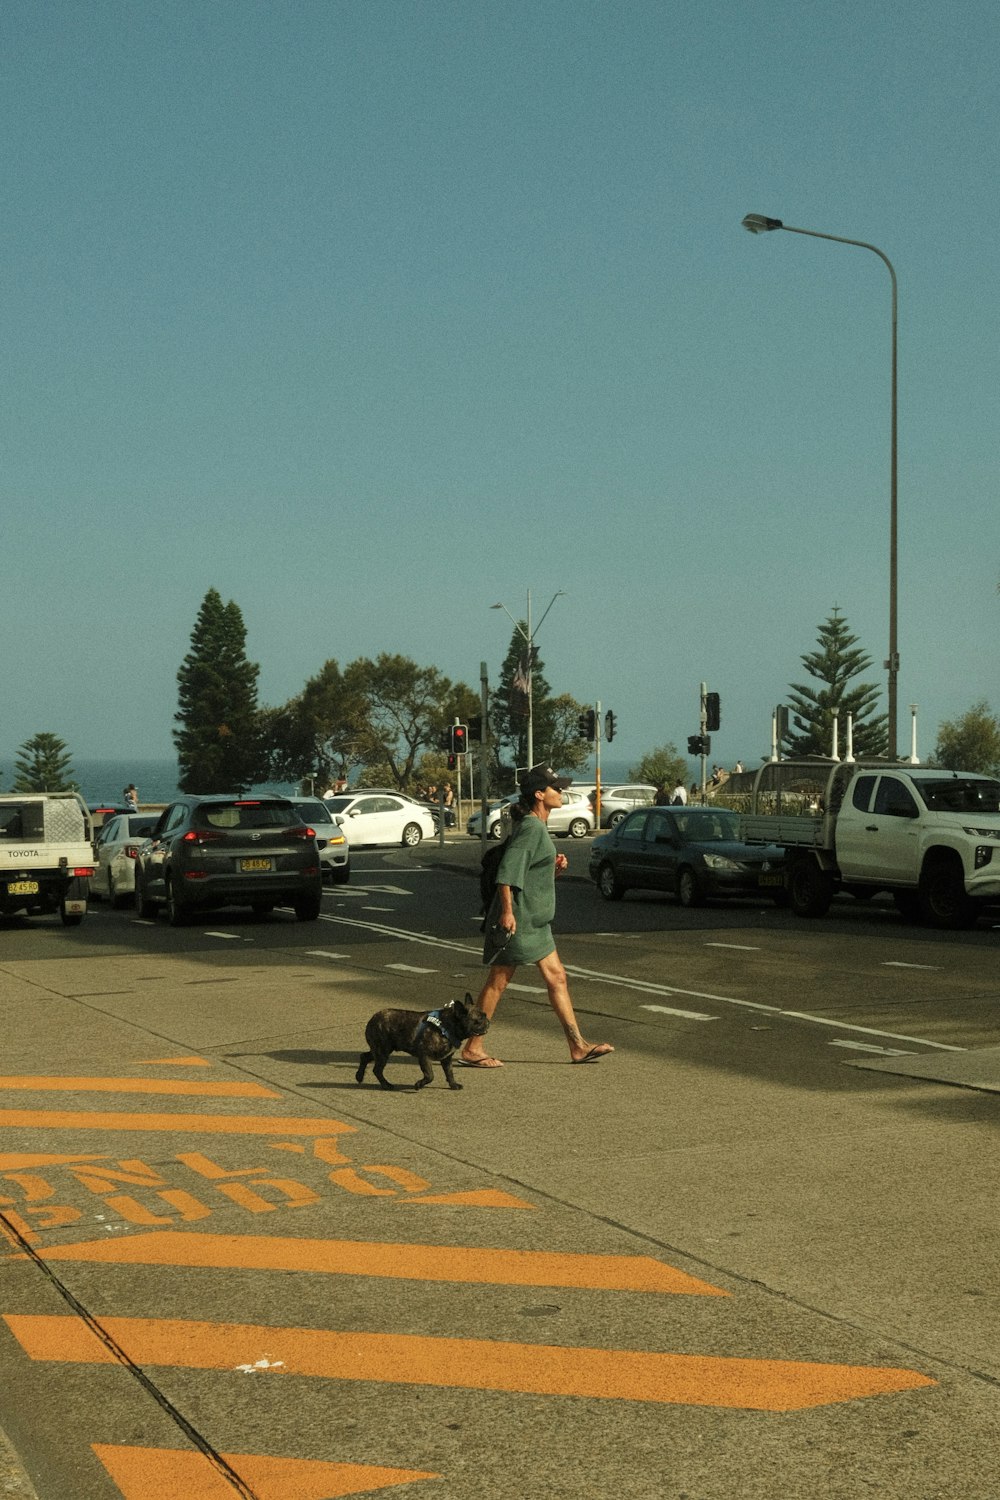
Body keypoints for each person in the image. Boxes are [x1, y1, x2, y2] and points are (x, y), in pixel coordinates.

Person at [460, 764, 615, 1069]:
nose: (561, 792)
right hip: (518, 920)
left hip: (536, 922)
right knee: (498, 981)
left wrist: (551, 869)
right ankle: (472, 1046)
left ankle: (578, 1047)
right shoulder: (531, 828)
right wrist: (506, 913)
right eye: (556, 788)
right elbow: (505, 876)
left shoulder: (538, 827)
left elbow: (528, 874)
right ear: (539, 794)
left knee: (557, 977)